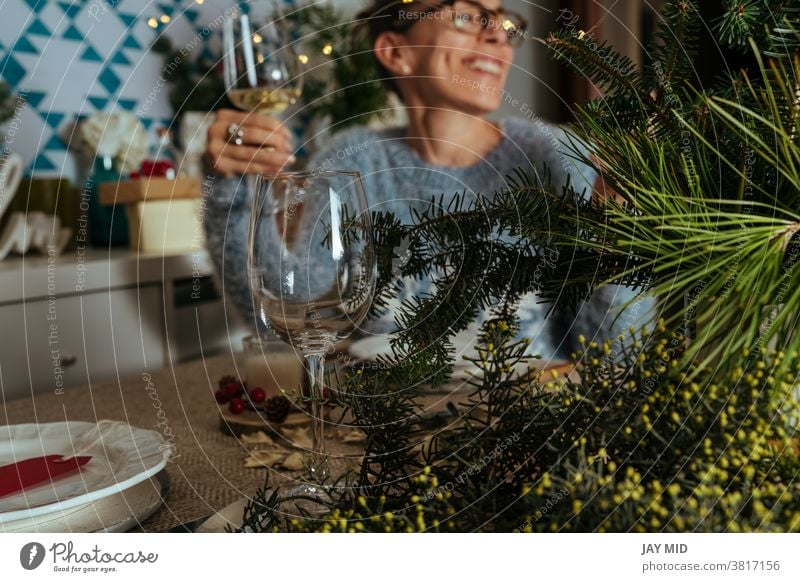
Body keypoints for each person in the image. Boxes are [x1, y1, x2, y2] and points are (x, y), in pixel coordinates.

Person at [203, 0, 648, 361]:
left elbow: (619, 356)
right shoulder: (352, 159)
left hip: (529, 428)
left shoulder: (559, 157)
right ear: (397, 51)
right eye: (467, 14)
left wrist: (621, 232)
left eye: (505, 22)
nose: (498, 34)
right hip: (384, 439)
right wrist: (229, 188)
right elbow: (289, 318)